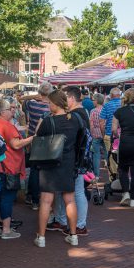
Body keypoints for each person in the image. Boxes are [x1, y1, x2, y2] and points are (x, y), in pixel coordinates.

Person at [34, 90, 81, 248]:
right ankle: (73, 235)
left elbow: (38, 138)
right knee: (70, 200)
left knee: (46, 201)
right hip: (68, 162)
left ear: (55, 104)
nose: (48, 106)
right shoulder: (75, 119)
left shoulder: (48, 121)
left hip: (49, 163)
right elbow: (81, 138)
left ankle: (41, 237)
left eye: (49, 103)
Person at [0, 99, 34, 239]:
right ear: (2, 112)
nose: (12, 111)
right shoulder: (6, 125)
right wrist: (32, 138)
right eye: (9, 109)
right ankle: (6, 230)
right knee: (6, 198)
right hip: (8, 167)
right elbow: (16, 144)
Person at [47, 86, 89, 236]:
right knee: (72, 191)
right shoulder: (80, 114)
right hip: (75, 160)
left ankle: (79, 224)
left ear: (71, 98)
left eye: (65, 98)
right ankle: (65, 220)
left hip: (74, 161)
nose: (63, 101)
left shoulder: (77, 115)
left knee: (76, 192)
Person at [23, 82, 53, 210]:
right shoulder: (52, 107)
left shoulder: (32, 104)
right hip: (49, 141)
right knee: (46, 170)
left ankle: (33, 198)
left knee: (34, 170)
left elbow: (22, 100)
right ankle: (44, 197)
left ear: (40, 93)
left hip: (33, 140)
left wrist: (37, 95)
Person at [100, 87, 122, 177]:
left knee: (111, 157)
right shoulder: (123, 104)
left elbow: (101, 122)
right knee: (123, 156)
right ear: (119, 95)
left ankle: (113, 177)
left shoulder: (106, 105)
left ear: (111, 95)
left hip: (110, 134)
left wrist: (103, 134)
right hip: (123, 135)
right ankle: (122, 176)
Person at [89, 93, 106, 179]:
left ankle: (97, 175)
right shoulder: (105, 109)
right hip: (105, 133)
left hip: (95, 134)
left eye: (93, 100)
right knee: (107, 153)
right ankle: (111, 171)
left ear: (96, 101)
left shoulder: (93, 111)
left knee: (96, 155)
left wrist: (91, 135)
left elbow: (91, 125)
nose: (92, 101)